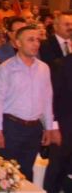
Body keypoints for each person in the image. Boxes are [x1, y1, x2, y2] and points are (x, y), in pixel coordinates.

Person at [0, 25, 55, 181]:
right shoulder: (5, 68)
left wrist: (48, 127)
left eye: (37, 40)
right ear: (18, 43)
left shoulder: (44, 68)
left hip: (34, 129)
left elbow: (47, 99)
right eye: (30, 40)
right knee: (4, 176)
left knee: (26, 175)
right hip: (10, 127)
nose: (36, 44)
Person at [44, 51, 72, 192]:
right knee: (57, 168)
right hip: (63, 127)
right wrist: (53, 126)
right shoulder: (59, 65)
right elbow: (51, 98)